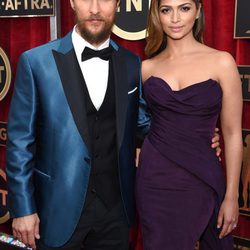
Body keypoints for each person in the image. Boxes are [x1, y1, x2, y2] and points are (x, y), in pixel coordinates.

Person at [6, 0, 221, 249]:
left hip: (115, 213)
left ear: (118, 4)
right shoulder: (36, 62)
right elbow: (20, 143)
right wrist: (22, 209)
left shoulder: (131, 63)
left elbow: (143, 124)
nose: (95, 8)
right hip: (56, 208)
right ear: (73, 3)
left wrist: (193, 134)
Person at [135, 0, 243, 249]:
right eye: (166, 10)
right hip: (155, 179)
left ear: (198, 12)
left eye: (184, 8)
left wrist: (231, 196)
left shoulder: (222, 62)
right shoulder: (146, 68)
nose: (175, 18)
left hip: (203, 173)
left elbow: (233, 134)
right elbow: (137, 124)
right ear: (157, 15)